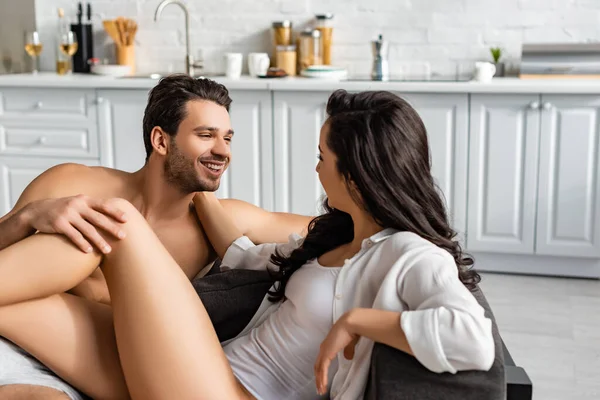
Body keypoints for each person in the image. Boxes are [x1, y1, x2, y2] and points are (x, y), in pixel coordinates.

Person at [0, 89, 495, 399]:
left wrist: (357, 321)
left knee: (114, 222)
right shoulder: (336, 241)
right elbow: (241, 254)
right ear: (161, 140)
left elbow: (472, 340)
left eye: (322, 156)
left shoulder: (410, 254)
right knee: (21, 303)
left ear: (358, 175)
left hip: (228, 393)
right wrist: (200, 194)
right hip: (199, 367)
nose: (316, 167)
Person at [0, 74, 310, 400]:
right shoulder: (72, 184)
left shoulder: (222, 219)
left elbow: (333, 227)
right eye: (206, 135)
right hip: (26, 338)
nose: (222, 151)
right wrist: (25, 217)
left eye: (228, 139)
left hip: (117, 365)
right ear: (161, 141)